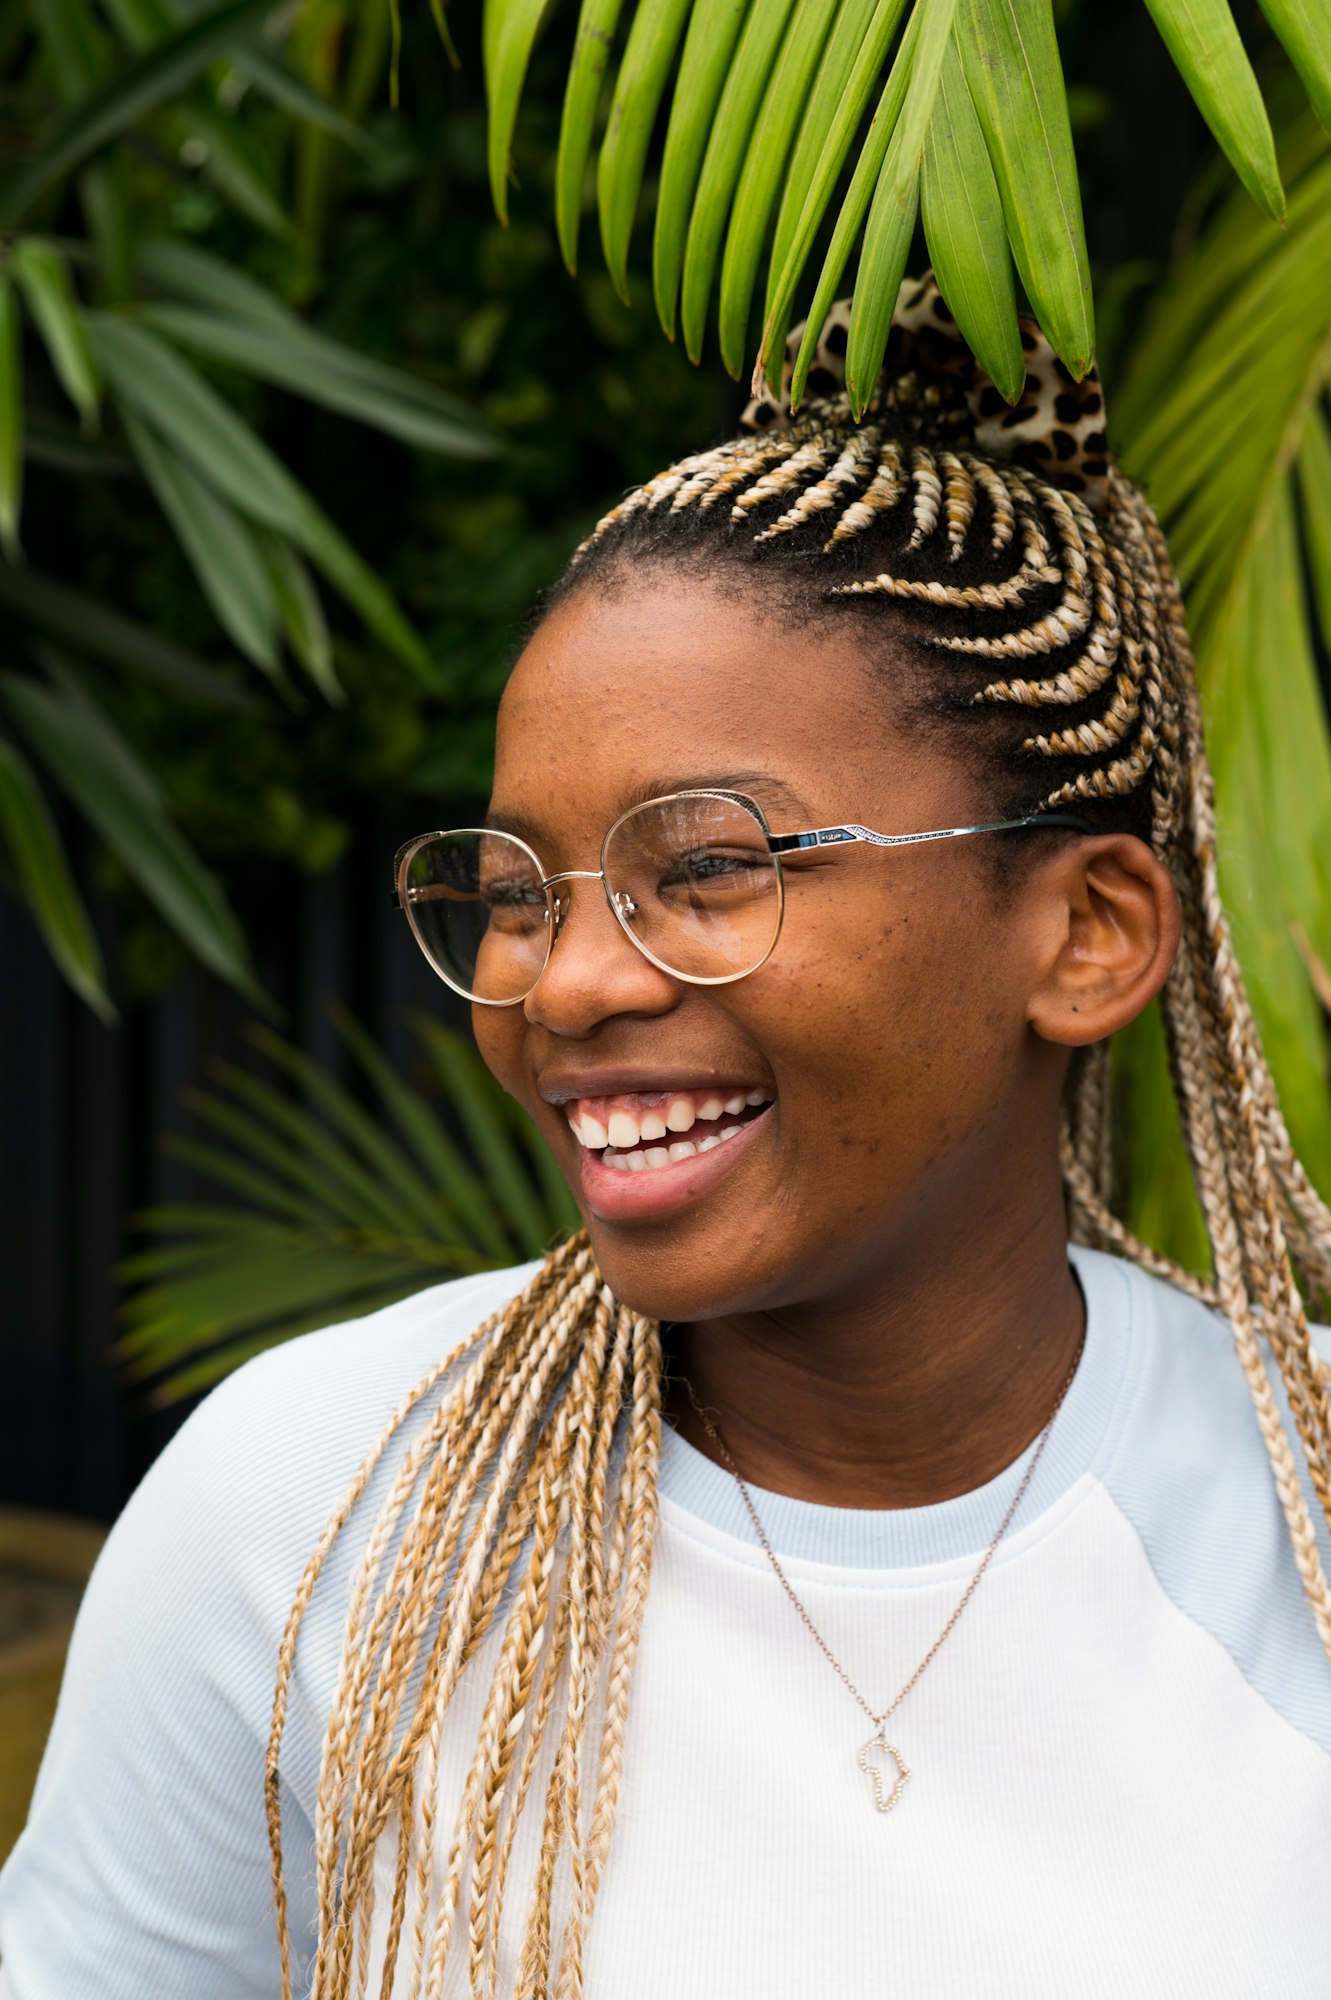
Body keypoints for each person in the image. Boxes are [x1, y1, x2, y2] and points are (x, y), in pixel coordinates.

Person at [3, 275, 1330, 2000]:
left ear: (1084, 933)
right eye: (510, 891)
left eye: (708, 870)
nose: (561, 985)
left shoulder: (1301, 1517)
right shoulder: (308, 1514)